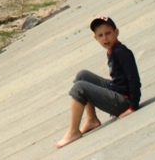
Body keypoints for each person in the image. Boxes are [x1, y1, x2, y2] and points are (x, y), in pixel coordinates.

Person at [55, 17, 140, 148]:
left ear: (116, 32)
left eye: (108, 33)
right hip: (116, 92)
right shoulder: (112, 51)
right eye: (100, 35)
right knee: (82, 76)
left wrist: (132, 107)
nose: (105, 38)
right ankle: (91, 119)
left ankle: (73, 132)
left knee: (80, 87)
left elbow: (134, 79)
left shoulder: (122, 52)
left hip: (123, 101)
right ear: (96, 38)